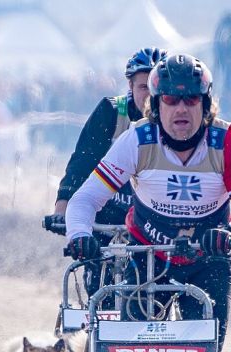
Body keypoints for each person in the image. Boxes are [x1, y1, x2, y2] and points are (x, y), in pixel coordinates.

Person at [64, 54, 231, 352]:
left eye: (191, 100)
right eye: (171, 100)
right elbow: (84, 201)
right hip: (145, 258)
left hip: (207, 261)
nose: (181, 110)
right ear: (155, 105)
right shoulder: (137, 139)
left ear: (206, 105)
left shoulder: (226, 140)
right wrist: (80, 234)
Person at [48, 47, 165, 301]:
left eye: (156, 87)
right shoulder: (112, 112)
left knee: (157, 290)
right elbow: (81, 163)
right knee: (99, 289)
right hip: (106, 213)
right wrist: (62, 209)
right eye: (143, 87)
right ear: (130, 86)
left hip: (150, 220)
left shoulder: (172, 120)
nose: (150, 96)